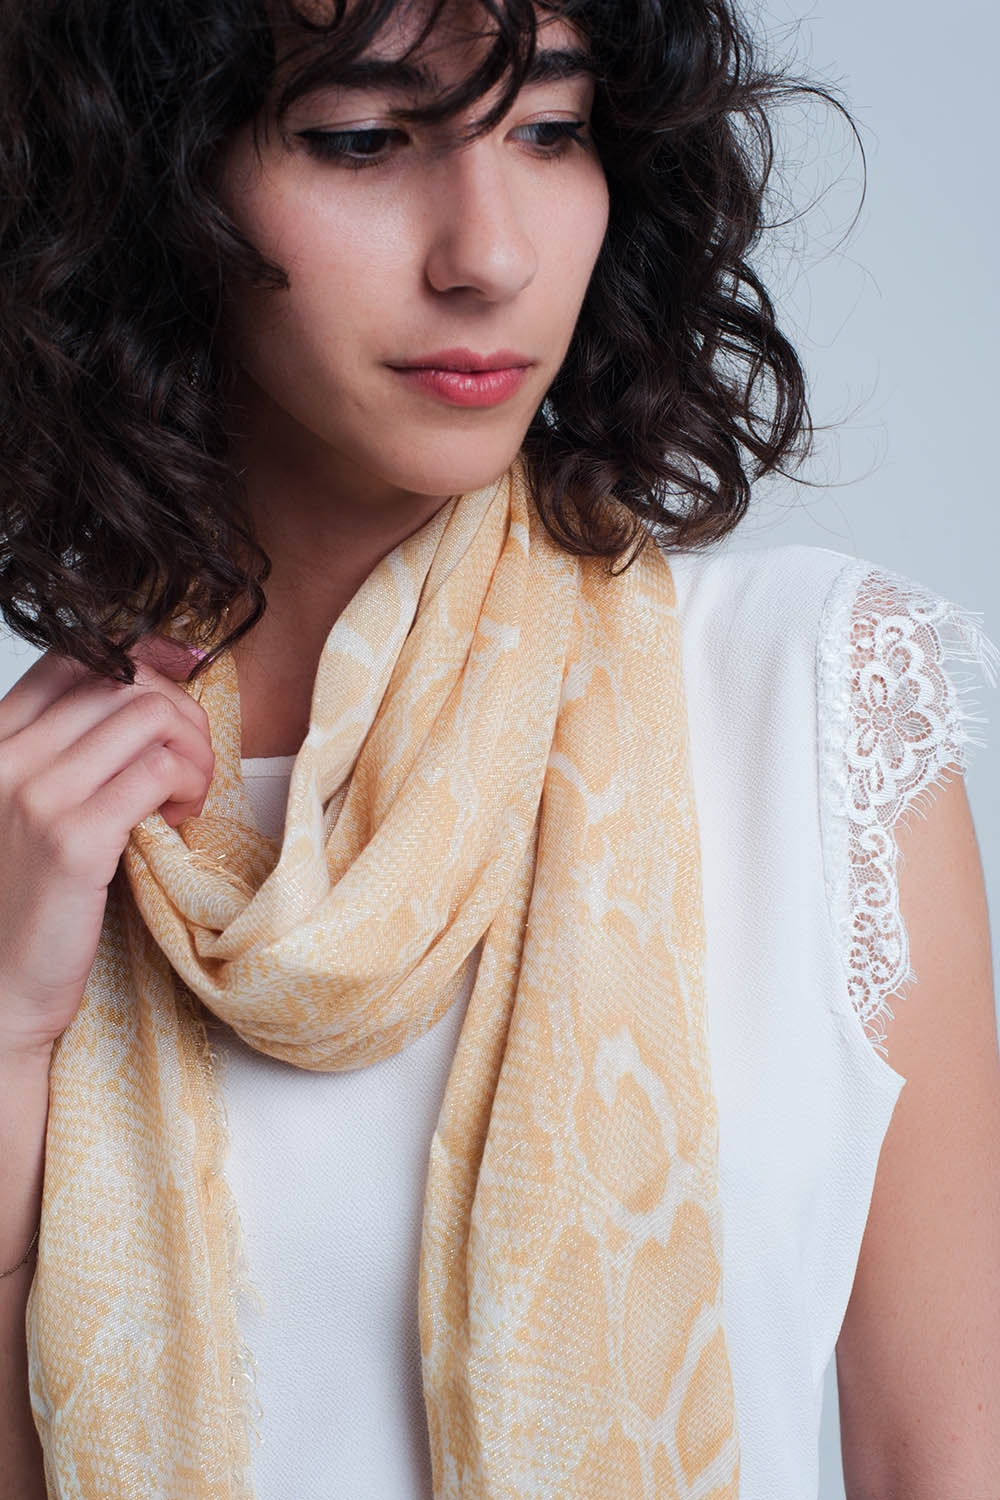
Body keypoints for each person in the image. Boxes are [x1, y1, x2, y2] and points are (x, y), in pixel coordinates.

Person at [0, 0, 997, 1496]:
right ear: (149, 185)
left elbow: (948, 1461)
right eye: (362, 139)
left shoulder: (810, 707)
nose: (492, 255)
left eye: (550, 130)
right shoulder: (47, 826)